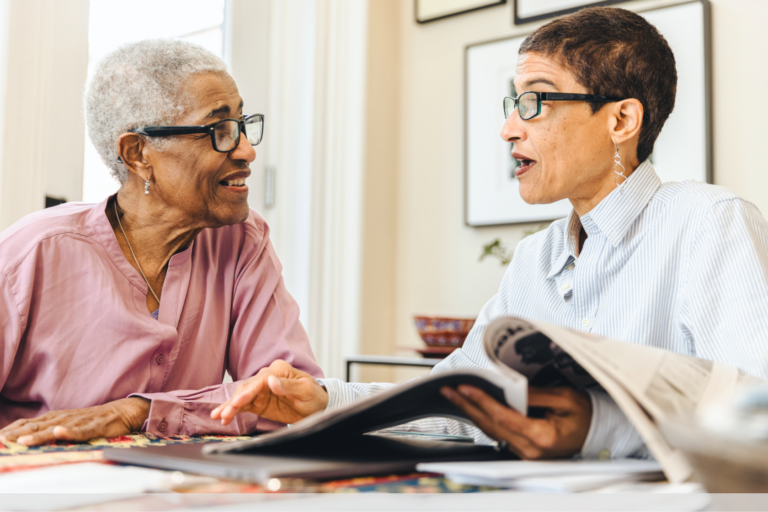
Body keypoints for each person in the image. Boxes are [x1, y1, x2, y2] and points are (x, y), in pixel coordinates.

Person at [213, 6, 768, 461]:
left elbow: (756, 414)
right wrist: (325, 400)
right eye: (512, 102)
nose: (508, 129)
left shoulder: (709, 223)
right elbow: (457, 398)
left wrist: (597, 428)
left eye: (536, 101)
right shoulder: (536, 258)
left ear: (621, 121)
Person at [0, 40, 321, 446]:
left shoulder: (241, 241)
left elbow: (290, 397)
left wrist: (135, 411)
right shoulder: (31, 254)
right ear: (138, 154)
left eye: (242, 124)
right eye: (219, 131)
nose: (246, 149)